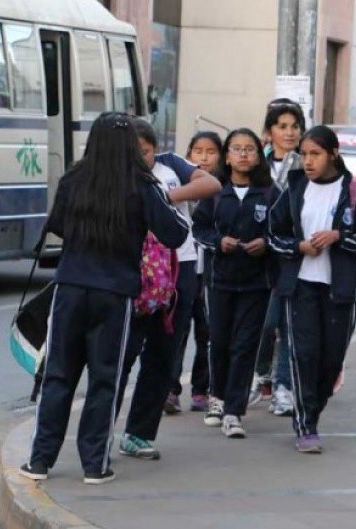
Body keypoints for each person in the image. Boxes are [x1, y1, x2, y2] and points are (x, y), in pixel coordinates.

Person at [19, 112, 189, 485]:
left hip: (70, 288)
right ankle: (94, 464)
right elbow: (175, 233)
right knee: (104, 378)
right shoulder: (142, 185)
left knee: (59, 376)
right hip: (114, 294)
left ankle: (40, 461)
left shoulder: (74, 179)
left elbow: (58, 226)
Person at [268, 125, 356, 453]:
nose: (308, 161)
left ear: (333, 154)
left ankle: (313, 411)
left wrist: (338, 237)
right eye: (304, 155)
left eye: (315, 154)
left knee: (330, 362)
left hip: (339, 290)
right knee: (304, 355)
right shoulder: (294, 189)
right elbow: (274, 234)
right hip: (300, 287)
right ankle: (306, 425)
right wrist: (299, 246)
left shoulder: (354, 192)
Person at [116, 120, 221, 460]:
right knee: (123, 353)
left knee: (164, 353)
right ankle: (101, 430)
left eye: (145, 151)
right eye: (134, 152)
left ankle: (139, 433)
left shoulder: (172, 165)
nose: (140, 158)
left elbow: (211, 183)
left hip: (180, 268)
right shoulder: (116, 176)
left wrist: (165, 198)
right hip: (136, 272)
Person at [192, 128, 279, 438]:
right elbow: (199, 228)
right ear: (226, 156)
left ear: (258, 155)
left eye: (250, 149)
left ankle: (234, 411)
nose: (243, 154)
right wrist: (219, 242)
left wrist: (266, 243)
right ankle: (217, 397)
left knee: (245, 346)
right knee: (220, 341)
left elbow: (284, 232)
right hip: (219, 280)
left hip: (257, 283)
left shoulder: (270, 194)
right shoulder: (214, 192)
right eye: (237, 148)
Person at [251, 101, 306, 417]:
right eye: (282, 126)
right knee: (262, 322)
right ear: (269, 132)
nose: (289, 132)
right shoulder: (257, 165)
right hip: (258, 257)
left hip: (291, 255)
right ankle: (262, 374)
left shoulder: (306, 164)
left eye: (294, 126)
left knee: (285, 323)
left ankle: (283, 386)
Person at [174, 131, 224, 413]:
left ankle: (201, 388)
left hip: (211, 270)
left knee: (206, 331)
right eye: (198, 151)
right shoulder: (180, 184)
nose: (204, 158)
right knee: (178, 329)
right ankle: (171, 388)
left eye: (211, 152)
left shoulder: (222, 189)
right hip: (184, 267)